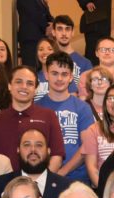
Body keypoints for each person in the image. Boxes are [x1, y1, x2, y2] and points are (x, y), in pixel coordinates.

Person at [0, 65, 65, 172]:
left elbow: (57, 156)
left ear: (36, 89)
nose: (24, 86)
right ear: (9, 86)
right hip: (4, 185)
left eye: (30, 83)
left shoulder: (48, 116)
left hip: (39, 186)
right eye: (18, 81)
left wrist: (39, 182)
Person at [36, 51, 96, 182]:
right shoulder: (36, 108)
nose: (59, 79)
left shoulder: (83, 108)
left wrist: (62, 172)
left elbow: (86, 146)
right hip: (43, 178)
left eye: (64, 74)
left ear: (71, 77)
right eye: (54, 73)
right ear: (46, 75)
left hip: (77, 179)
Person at [82, 82, 114, 187]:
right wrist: (105, 192)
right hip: (102, 187)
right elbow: (91, 168)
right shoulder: (93, 130)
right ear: (105, 103)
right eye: (111, 98)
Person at [50, 14, 93, 93]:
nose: (64, 33)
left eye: (67, 29)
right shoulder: (47, 60)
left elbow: (88, 93)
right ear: (53, 32)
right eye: (60, 29)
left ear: (72, 32)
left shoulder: (85, 63)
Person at [15, 0, 53, 68]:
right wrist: (47, 27)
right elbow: (35, 14)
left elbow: (48, 16)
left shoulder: (42, 2)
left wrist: (54, 24)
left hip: (40, 39)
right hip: (30, 41)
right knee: (31, 69)